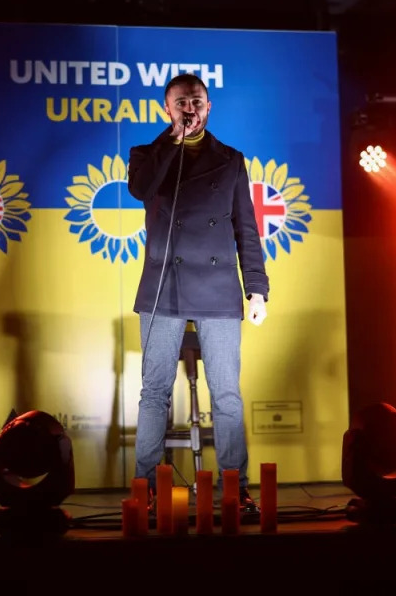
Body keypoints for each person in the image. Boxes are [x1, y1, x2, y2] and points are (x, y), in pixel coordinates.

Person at [128, 73, 269, 512]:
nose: (190, 107)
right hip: (162, 288)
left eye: (198, 101)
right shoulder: (147, 155)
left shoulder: (230, 160)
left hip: (218, 286)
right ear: (166, 109)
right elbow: (140, 190)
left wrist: (257, 289)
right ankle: (147, 489)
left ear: (209, 107)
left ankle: (234, 487)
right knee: (155, 392)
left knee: (226, 393)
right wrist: (172, 143)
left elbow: (245, 227)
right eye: (181, 102)